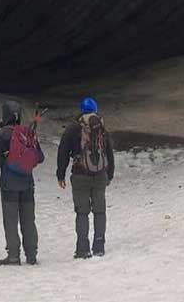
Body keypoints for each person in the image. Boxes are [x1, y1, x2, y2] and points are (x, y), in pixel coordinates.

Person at [56, 96, 115, 258]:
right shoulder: (101, 127)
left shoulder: (73, 129)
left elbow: (62, 153)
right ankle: (99, 246)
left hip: (80, 175)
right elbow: (109, 152)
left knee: (82, 212)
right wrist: (109, 174)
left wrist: (60, 174)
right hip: (100, 175)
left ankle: (82, 248)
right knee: (100, 211)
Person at [0, 100, 44, 266]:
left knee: (11, 220)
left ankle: (13, 255)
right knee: (28, 220)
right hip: (27, 183)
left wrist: (7, 157)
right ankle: (31, 254)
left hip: (8, 185)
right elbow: (39, 157)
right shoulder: (27, 133)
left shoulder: (2, 135)